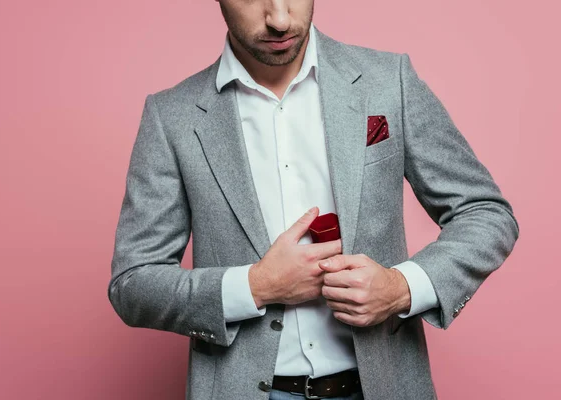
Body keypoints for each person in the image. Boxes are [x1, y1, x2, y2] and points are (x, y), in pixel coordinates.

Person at [107, 1, 520, 399]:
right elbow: (132, 284)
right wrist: (255, 286)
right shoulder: (172, 116)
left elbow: (486, 213)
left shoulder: (388, 80)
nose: (280, 19)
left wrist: (400, 287)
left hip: (384, 386)